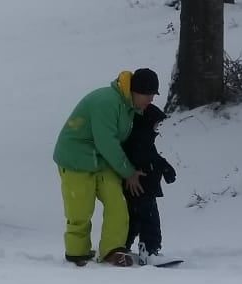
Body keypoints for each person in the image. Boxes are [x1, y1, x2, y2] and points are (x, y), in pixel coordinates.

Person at [52, 67, 159, 267]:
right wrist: (128, 172)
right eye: (148, 96)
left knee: (117, 203)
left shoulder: (129, 107)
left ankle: (113, 250)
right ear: (135, 91)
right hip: (76, 160)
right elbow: (107, 142)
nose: (150, 101)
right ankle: (77, 252)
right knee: (80, 210)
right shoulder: (107, 102)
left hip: (102, 161)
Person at [121, 102, 177, 263]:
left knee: (134, 220)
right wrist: (163, 167)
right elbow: (148, 158)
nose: (157, 129)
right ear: (146, 123)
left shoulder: (143, 141)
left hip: (141, 189)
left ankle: (123, 247)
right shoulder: (139, 141)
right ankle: (149, 251)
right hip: (141, 189)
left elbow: (153, 157)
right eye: (156, 125)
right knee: (149, 220)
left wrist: (165, 168)